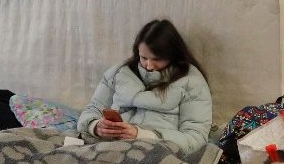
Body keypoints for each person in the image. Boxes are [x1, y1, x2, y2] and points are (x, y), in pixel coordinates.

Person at [77, 19, 212, 151]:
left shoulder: (192, 81)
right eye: (143, 58)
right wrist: (95, 127)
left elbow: (196, 138)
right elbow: (92, 110)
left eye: (157, 59)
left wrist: (140, 135)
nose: (149, 66)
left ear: (173, 55)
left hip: (156, 152)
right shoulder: (119, 72)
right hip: (109, 146)